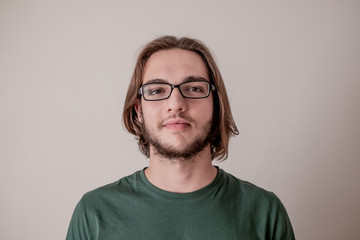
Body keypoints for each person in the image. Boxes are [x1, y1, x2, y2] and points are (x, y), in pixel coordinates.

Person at [66, 35, 295, 240]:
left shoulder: (265, 212)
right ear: (138, 110)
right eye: (157, 91)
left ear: (216, 105)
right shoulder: (94, 213)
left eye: (194, 88)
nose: (176, 104)